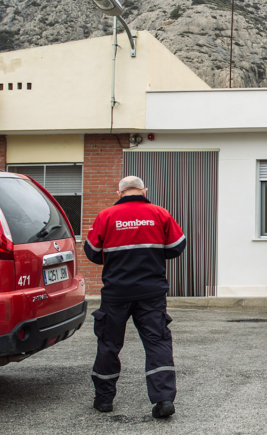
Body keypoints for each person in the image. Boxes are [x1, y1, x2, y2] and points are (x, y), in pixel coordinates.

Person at [84, 176, 186, 419]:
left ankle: (104, 400)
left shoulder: (105, 216)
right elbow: (177, 246)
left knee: (109, 344)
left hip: (116, 293)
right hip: (151, 293)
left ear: (119, 193)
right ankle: (163, 400)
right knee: (157, 342)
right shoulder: (160, 213)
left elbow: (92, 252)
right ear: (144, 191)